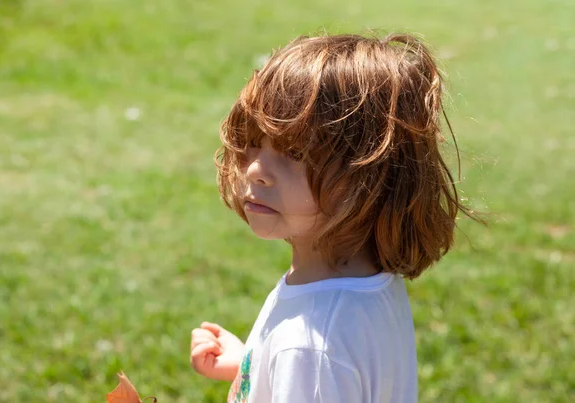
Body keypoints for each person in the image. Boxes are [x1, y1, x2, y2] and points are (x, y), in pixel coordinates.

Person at [189, 32, 477, 402]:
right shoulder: (365, 283)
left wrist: (292, 364)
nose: (256, 168)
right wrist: (253, 363)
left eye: (294, 151)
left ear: (369, 177)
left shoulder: (310, 350)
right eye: (253, 141)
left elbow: (316, 370)